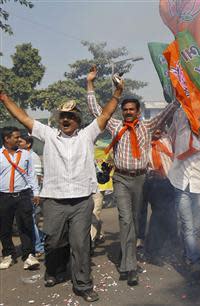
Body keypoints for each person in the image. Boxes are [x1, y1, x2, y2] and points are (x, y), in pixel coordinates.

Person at [0, 65, 122, 302]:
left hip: (81, 201)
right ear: (59, 119)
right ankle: (54, 270)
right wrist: (5, 98)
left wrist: (117, 94)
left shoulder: (88, 134)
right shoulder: (47, 134)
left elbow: (105, 115)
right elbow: (22, 116)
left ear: (77, 120)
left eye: (71, 116)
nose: (66, 119)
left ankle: (83, 284)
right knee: (53, 240)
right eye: (62, 116)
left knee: (81, 244)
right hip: (54, 201)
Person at [87, 71, 178, 287]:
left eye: (131, 110)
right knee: (126, 220)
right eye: (125, 110)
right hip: (120, 179)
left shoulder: (147, 126)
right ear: (122, 111)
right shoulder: (115, 126)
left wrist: (179, 85)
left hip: (140, 180)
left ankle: (127, 254)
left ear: (138, 112)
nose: (128, 112)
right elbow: (95, 110)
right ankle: (130, 267)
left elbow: (171, 109)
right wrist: (90, 84)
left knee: (135, 223)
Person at [167, 108, 200, 281]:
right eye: (192, 119)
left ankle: (187, 251)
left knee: (194, 227)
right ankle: (196, 262)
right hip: (180, 185)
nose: (195, 122)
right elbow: (179, 115)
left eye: (199, 120)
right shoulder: (181, 134)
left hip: (198, 188)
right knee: (188, 226)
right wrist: (184, 93)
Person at [0, 127, 40, 271]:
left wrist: (36, 192)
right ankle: (8, 254)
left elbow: (31, 174)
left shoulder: (25, 155)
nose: (19, 140)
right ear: (7, 139)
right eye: (16, 137)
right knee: (4, 227)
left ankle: (29, 255)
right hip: (4, 196)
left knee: (26, 225)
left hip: (23, 195)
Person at [143, 127, 177, 266]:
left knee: (169, 215)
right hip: (154, 184)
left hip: (170, 181)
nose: (158, 129)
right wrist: (150, 172)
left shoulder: (167, 138)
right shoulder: (145, 143)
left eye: (160, 126)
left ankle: (165, 247)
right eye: (155, 127)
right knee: (158, 215)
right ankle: (153, 252)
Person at [18, 135, 45, 257]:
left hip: (31, 195)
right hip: (25, 194)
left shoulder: (33, 157)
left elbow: (38, 178)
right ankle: (43, 238)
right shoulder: (22, 156)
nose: (18, 143)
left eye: (20, 142)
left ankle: (39, 247)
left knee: (31, 221)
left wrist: (35, 195)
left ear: (28, 144)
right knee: (29, 220)